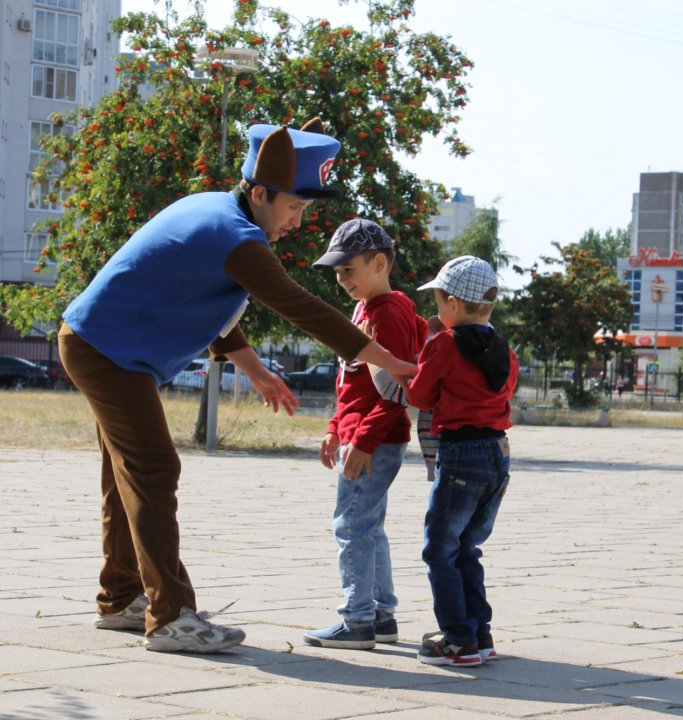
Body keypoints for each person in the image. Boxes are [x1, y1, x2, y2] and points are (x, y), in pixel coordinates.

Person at [58, 119, 417, 654]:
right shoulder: (236, 235)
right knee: (153, 469)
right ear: (259, 193)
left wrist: (254, 369)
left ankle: (123, 597)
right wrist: (386, 359)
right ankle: (171, 617)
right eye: (293, 208)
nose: (296, 222)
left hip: (100, 346)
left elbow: (215, 303)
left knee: (125, 474)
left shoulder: (216, 213)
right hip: (109, 354)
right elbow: (298, 305)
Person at [303, 218, 428, 650]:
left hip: (375, 440)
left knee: (351, 525)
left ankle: (357, 621)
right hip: (361, 435)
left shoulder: (389, 312)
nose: (342, 280)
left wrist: (364, 440)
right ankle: (380, 614)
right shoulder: (365, 309)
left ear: (379, 263)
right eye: (337, 273)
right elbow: (352, 381)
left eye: (349, 270)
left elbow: (394, 389)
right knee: (368, 526)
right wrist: (337, 428)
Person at [406, 256, 519, 667]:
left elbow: (419, 397)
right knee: (467, 546)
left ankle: (457, 639)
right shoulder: (505, 349)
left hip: (461, 455)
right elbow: (503, 392)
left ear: (452, 304)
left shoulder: (443, 344)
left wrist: (425, 356)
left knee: (439, 550)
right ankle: (479, 632)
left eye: (437, 301)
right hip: (497, 452)